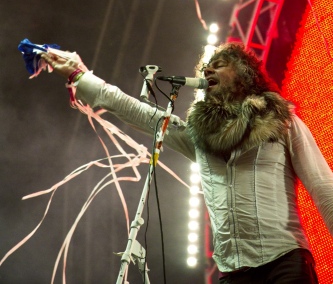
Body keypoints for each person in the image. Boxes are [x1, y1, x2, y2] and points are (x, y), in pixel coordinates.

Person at [41, 42, 333, 283]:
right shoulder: (199, 137)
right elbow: (134, 109)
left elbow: (323, 185)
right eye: (207, 66)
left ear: (244, 74)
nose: (208, 69)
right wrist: (80, 75)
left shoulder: (283, 123)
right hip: (232, 274)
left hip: (284, 262)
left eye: (220, 64)